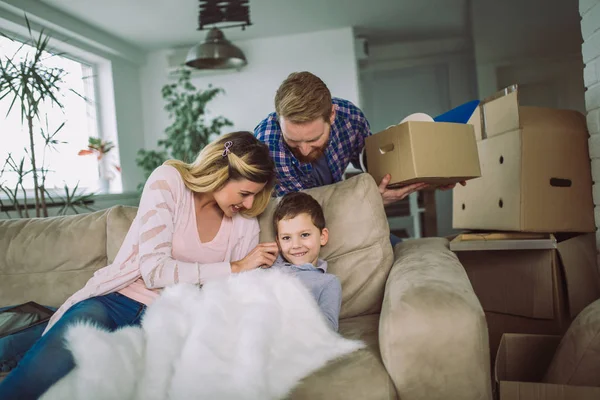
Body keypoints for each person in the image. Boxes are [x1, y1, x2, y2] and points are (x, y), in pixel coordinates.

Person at [0, 131, 279, 400]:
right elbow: (155, 271)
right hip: (115, 302)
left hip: (163, 324)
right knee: (32, 379)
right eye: (244, 193)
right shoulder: (169, 182)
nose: (250, 203)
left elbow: (230, 294)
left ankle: (30, 324)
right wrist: (234, 267)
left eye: (256, 195)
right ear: (220, 174)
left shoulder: (245, 225)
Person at [254, 72, 463, 245]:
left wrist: (432, 175)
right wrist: (369, 201)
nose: (305, 150)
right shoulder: (267, 145)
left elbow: (374, 163)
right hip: (300, 233)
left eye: (314, 139)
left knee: (403, 249)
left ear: (332, 116)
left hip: (343, 214)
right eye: (293, 141)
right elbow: (304, 214)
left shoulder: (350, 118)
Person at [270, 192, 341, 332]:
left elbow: (329, 328)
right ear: (278, 242)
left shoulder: (328, 282)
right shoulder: (271, 264)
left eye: (304, 235)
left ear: (323, 236)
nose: (295, 245)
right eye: (286, 238)